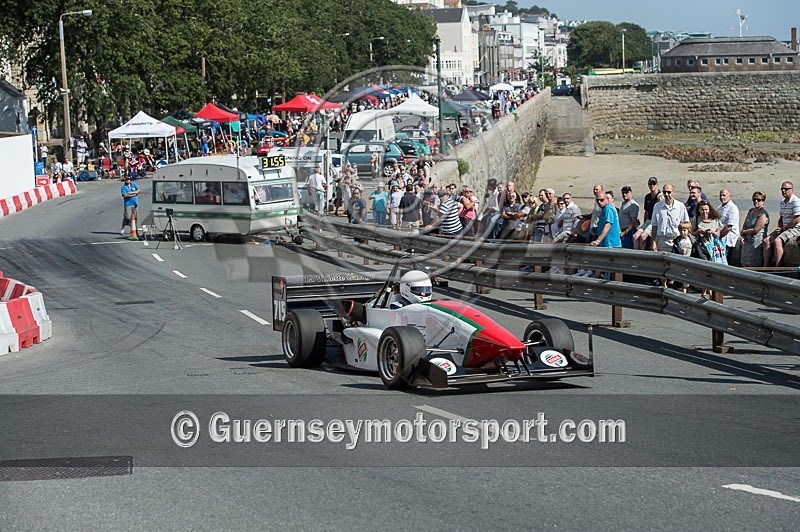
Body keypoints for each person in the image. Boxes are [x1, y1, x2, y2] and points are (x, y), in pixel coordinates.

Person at [763, 181, 800, 267]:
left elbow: (797, 219)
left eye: (786, 189)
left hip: (795, 228)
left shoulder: (796, 201)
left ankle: (778, 267)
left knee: (778, 241)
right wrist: (780, 226)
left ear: (792, 190)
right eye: (782, 189)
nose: (783, 191)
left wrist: (784, 228)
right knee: (766, 240)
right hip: (785, 227)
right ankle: (766, 266)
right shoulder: (782, 202)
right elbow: (781, 217)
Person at [650, 183, 690, 252]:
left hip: (676, 239)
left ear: (673, 192)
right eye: (664, 192)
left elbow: (686, 224)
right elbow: (654, 225)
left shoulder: (680, 206)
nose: (666, 194)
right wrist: (653, 242)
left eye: (669, 192)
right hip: (662, 240)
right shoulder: (657, 206)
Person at [740, 191, 770, 267]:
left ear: (763, 201)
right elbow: (745, 224)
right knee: (744, 264)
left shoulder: (763, 215)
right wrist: (743, 235)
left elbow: (756, 230)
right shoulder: (751, 211)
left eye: (759, 200)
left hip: (756, 243)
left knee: (753, 266)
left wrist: (743, 232)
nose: (756, 201)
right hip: (747, 242)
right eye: (754, 199)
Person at [634, 176, 661, 250]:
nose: (652, 186)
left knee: (643, 236)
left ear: (657, 185)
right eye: (650, 184)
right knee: (635, 236)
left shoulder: (660, 196)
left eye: (654, 184)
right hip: (648, 220)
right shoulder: (647, 197)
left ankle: (643, 254)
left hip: (655, 222)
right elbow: (646, 211)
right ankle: (636, 254)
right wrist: (644, 223)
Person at [717, 188, 740, 262]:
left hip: (728, 239)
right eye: (720, 195)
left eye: (724, 195)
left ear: (729, 196)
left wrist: (719, 237)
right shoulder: (719, 207)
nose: (722, 197)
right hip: (720, 237)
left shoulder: (733, 208)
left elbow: (729, 227)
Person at [671, 221, 695, 292]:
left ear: (688, 231)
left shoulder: (691, 240)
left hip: (689, 261)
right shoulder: (678, 241)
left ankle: (685, 291)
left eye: (684, 230)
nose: (682, 232)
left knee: (686, 279)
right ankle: (683, 291)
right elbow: (674, 251)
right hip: (680, 262)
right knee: (682, 278)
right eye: (681, 230)